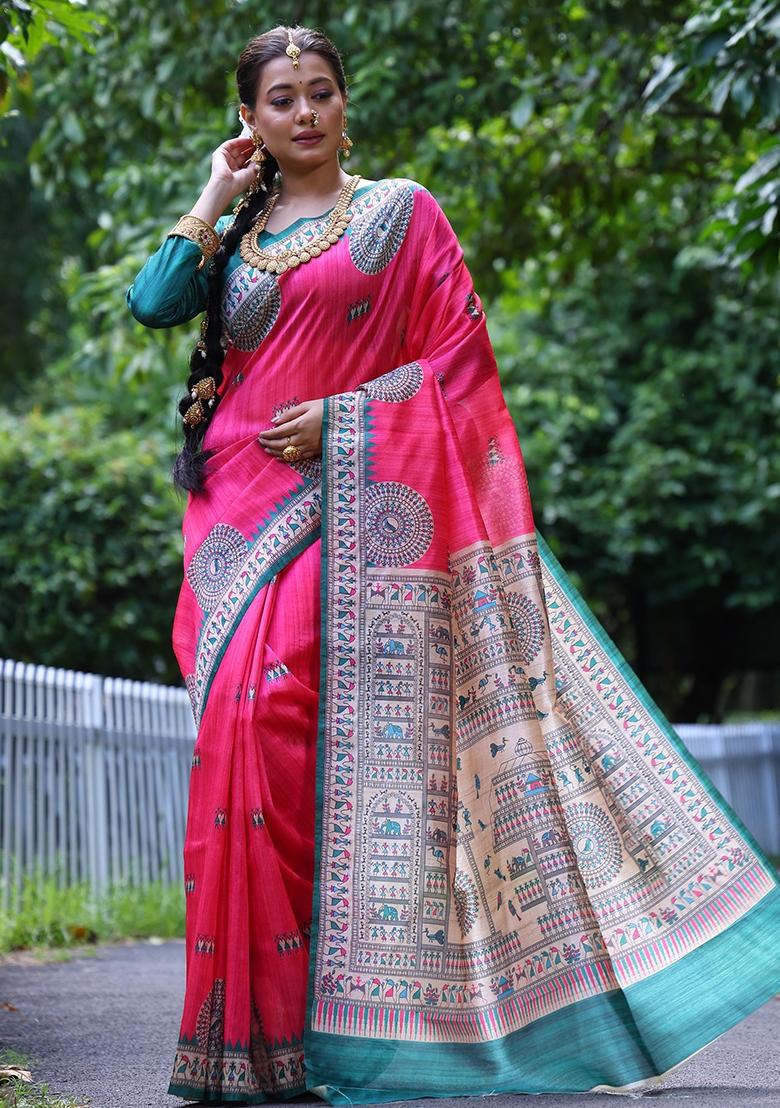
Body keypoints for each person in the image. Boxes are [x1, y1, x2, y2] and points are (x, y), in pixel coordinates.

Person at [126, 23, 780, 1107]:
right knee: (240, 738)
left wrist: (346, 417)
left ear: (345, 104)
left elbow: (459, 365)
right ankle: (252, 1041)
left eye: (320, 93)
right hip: (239, 520)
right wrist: (210, 190)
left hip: (358, 502)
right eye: (279, 99)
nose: (303, 113)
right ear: (249, 120)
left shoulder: (401, 213)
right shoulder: (232, 240)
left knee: (285, 737)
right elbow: (154, 303)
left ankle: (330, 1035)